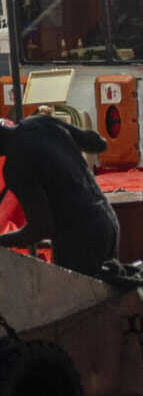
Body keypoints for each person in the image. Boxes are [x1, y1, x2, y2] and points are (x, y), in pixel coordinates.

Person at [0, 110, 120, 277]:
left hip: (78, 238)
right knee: (108, 296)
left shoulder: (15, 167)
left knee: (80, 301)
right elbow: (98, 144)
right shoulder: (40, 122)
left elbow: (41, 228)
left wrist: (2, 241)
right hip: (106, 222)